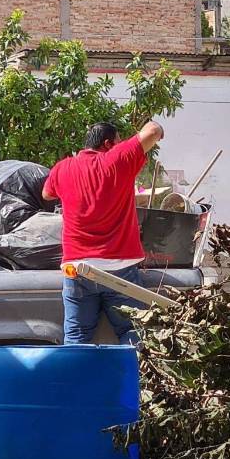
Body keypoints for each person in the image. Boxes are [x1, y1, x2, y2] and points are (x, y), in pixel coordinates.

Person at [43, 120, 164, 345]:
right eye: (118, 141)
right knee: (133, 333)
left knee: (77, 337)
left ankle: (79, 381)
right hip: (119, 268)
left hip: (76, 269)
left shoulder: (63, 167)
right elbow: (153, 130)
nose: (120, 145)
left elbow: (46, 194)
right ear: (108, 144)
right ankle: (129, 381)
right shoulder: (117, 159)